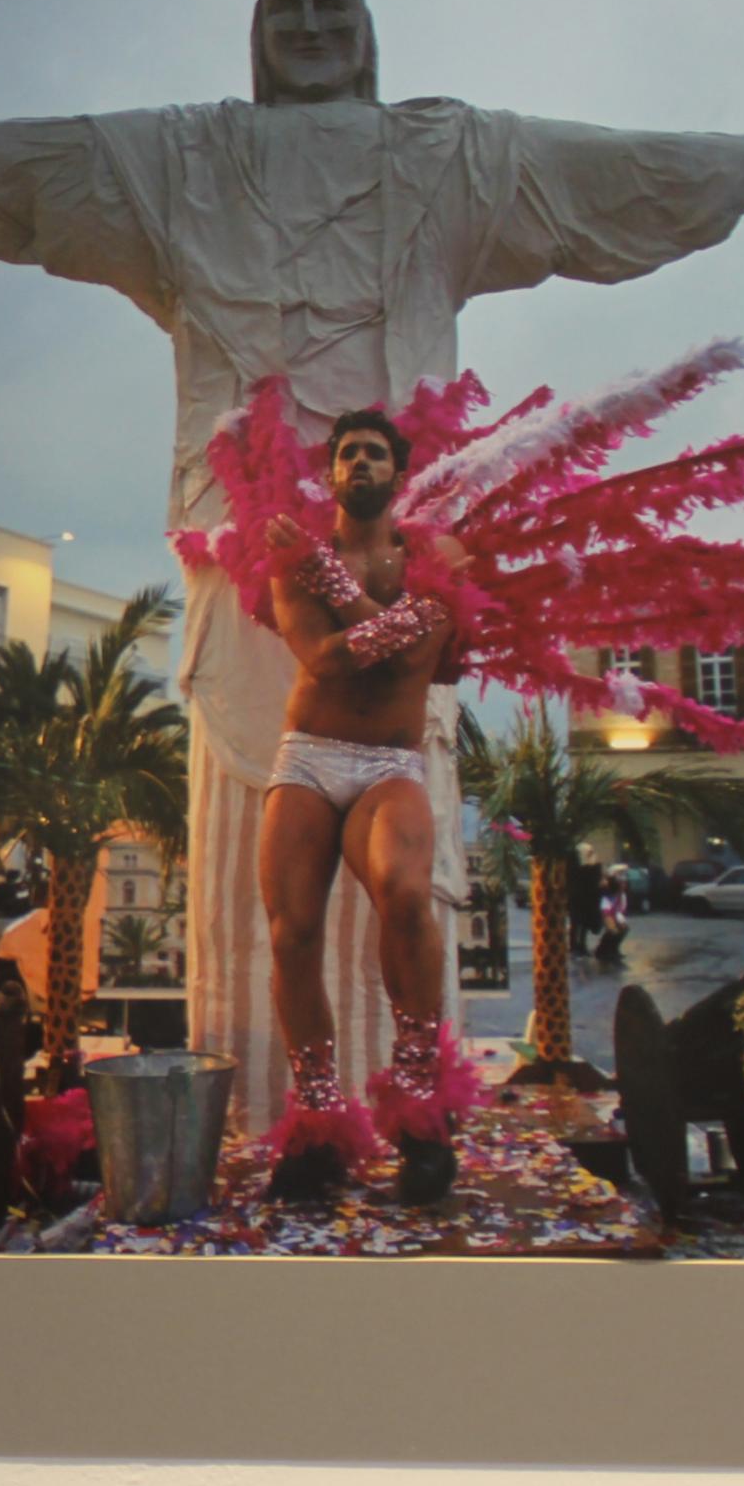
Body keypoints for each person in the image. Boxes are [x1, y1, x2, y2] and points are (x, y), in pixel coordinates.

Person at [0, 0, 744, 1130]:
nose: (309, 24)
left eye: (332, 3)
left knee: (404, 895)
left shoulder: (442, 156)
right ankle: (286, 1120)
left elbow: (614, 174)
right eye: (286, 3)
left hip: (384, 732)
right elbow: (21, 169)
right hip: (243, 593)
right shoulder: (183, 160)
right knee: (276, 916)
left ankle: (415, 1107)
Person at [256, 408, 478, 1204]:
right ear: (330, 471)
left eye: (375, 453)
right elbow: (324, 661)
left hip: (390, 762)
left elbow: (415, 658)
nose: (360, 462)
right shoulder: (294, 560)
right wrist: (375, 611)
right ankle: (317, 1124)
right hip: (310, 757)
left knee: (407, 895)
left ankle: (421, 1114)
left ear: (398, 471)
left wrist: (334, 586)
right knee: (291, 933)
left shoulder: (437, 555)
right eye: (347, 452)